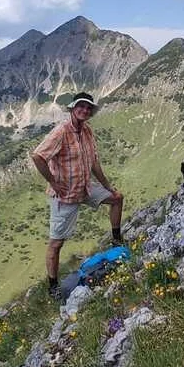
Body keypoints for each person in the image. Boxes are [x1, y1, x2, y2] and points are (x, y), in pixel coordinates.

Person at [31, 92, 123, 298]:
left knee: (117, 199)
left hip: (85, 188)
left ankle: (117, 241)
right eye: (81, 106)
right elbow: (38, 156)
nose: (85, 110)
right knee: (56, 243)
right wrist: (53, 182)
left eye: (88, 108)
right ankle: (53, 287)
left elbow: (94, 163)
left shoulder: (87, 131)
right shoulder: (61, 131)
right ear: (73, 108)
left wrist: (108, 186)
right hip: (64, 196)